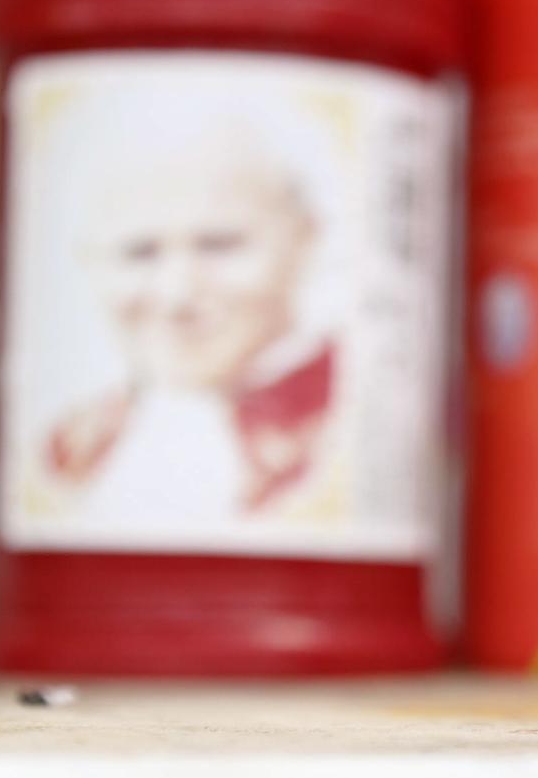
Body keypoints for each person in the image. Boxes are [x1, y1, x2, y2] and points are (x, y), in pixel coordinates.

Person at [39, 111, 335, 526]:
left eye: (219, 245)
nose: (177, 295)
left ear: (305, 241)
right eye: (139, 252)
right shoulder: (71, 445)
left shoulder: (348, 431)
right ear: (89, 262)